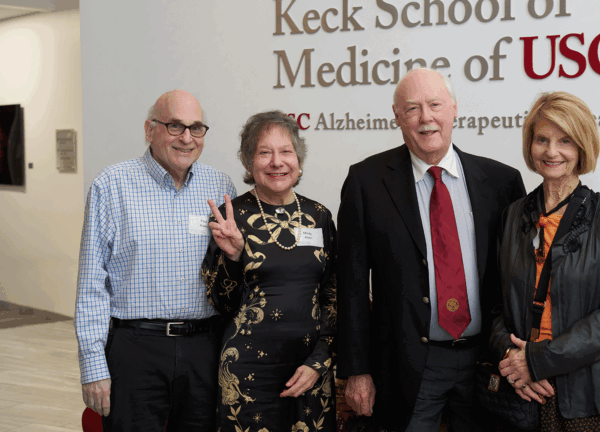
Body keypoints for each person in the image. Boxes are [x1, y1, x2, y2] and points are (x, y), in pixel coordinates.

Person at [336, 68, 526, 431]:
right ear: (397, 117)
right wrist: (357, 370)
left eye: (435, 104)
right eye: (412, 109)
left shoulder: (503, 182)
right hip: (408, 365)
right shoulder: (366, 182)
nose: (426, 118)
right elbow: (353, 286)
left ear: (454, 109)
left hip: (486, 361)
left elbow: (519, 280)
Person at [75, 89, 237, 431]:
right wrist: (93, 367)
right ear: (150, 130)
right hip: (135, 351)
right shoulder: (111, 185)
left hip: (203, 349)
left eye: (196, 128)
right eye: (175, 126)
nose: (187, 138)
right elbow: (92, 285)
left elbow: (230, 273)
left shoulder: (220, 185)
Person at [491, 91, 600, 431]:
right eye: (542, 139)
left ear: (582, 147)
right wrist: (512, 359)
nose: (551, 151)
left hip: (595, 397)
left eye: (564, 140)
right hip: (524, 394)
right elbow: (495, 305)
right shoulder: (511, 216)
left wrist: (537, 361)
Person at [201, 111, 337, 431]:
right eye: (265, 152)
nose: (277, 162)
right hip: (248, 374)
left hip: (310, 369)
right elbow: (220, 303)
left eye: (286, 151)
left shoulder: (319, 216)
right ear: (249, 163)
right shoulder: (230, 217)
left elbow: (337, 297)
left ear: (298, 160)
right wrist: (233, 256)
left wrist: (319, 361)